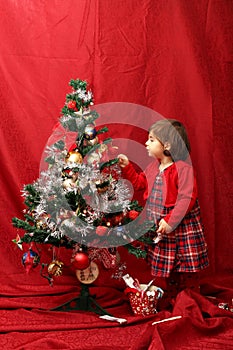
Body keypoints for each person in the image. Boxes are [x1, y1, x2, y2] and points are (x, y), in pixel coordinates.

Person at [118, 119, 209, 308]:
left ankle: (189, 298)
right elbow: (140, 183)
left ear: (166, 145)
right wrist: (127, 167)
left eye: (151, 140)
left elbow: (187, 199)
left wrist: (170, 220)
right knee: (166, 264)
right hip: (160, 223)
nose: (146, 143)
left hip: (180, 225)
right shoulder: (154, 167)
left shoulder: (183, 169)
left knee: (184, 264)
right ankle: (170, 296)